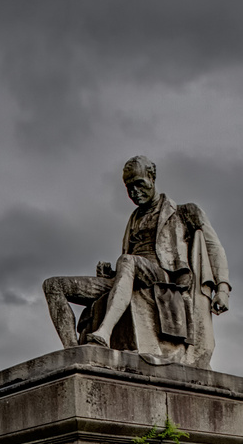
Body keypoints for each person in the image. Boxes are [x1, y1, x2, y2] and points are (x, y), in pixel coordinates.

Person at [41, 155, 230, 368]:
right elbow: (128, 265)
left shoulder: (184, 212)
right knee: (53, 285)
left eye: (139, 184)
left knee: (127, 261)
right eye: (129, 187)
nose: (134, 192)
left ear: (152, 178)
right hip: (132, 271)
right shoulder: (134, 218)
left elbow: (214, 247)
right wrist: (110, 274)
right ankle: (74, 352)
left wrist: (223, 289)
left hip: (163, 276)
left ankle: (104, 332)